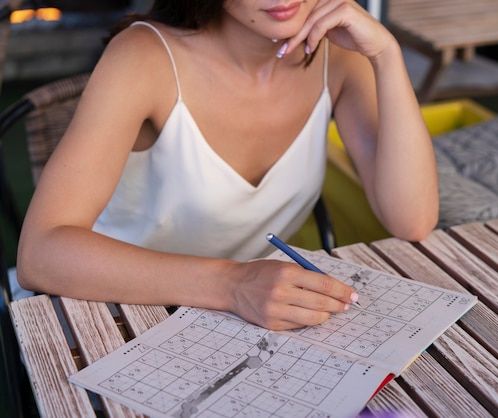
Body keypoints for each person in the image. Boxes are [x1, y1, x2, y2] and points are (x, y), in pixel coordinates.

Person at [17, 0, 438, 330]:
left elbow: (412, 219)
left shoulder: (339, 55)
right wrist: (233, 284)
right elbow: (41, 254)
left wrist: (386, 54)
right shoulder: (143, 56)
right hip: (104, 308)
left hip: (244, 319)